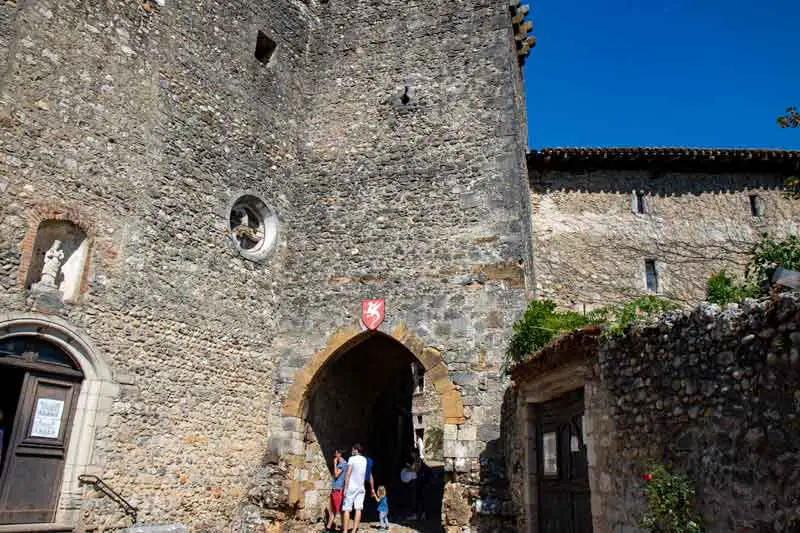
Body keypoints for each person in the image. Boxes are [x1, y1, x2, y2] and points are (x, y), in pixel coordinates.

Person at [342, 443, 368, 533]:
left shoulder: (351, 459)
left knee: (346, 508)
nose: (352, 451)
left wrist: (345, 487)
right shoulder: (364, 460)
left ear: (356, 450)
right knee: (358, 508)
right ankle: (354, 531)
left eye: (353, 449)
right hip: (361, 487)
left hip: (351, 487)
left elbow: (348, 473)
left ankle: (345, 531)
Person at [325, 449, 347, 532]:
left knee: (339, 509)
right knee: (335, 509)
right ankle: (329, 527)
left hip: (338, 489)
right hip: (335, 489)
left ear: (340, 454)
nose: (335, 455)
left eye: (336, 454)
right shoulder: (342, 463)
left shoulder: (342, 464)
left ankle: (341, 527)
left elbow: (337, 474)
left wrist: (334, 464)